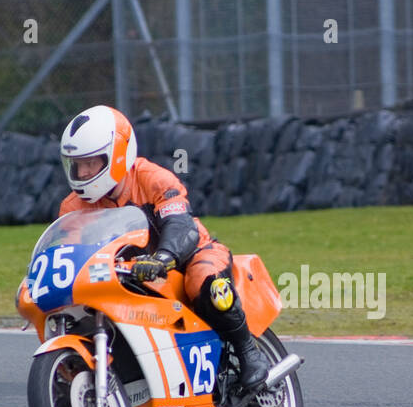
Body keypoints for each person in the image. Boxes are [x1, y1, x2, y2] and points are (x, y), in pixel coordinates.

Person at [57, 105, 272, 389]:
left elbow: (181, 224)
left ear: (117, 156)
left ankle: (248, 351)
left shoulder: (152, 178)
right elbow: (68, 256)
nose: (82, 172)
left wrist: (164, 257)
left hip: (188, 256)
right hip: (126, 276)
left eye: (91, 162)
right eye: (77, 164)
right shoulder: (71, 208)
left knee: (205, 284)